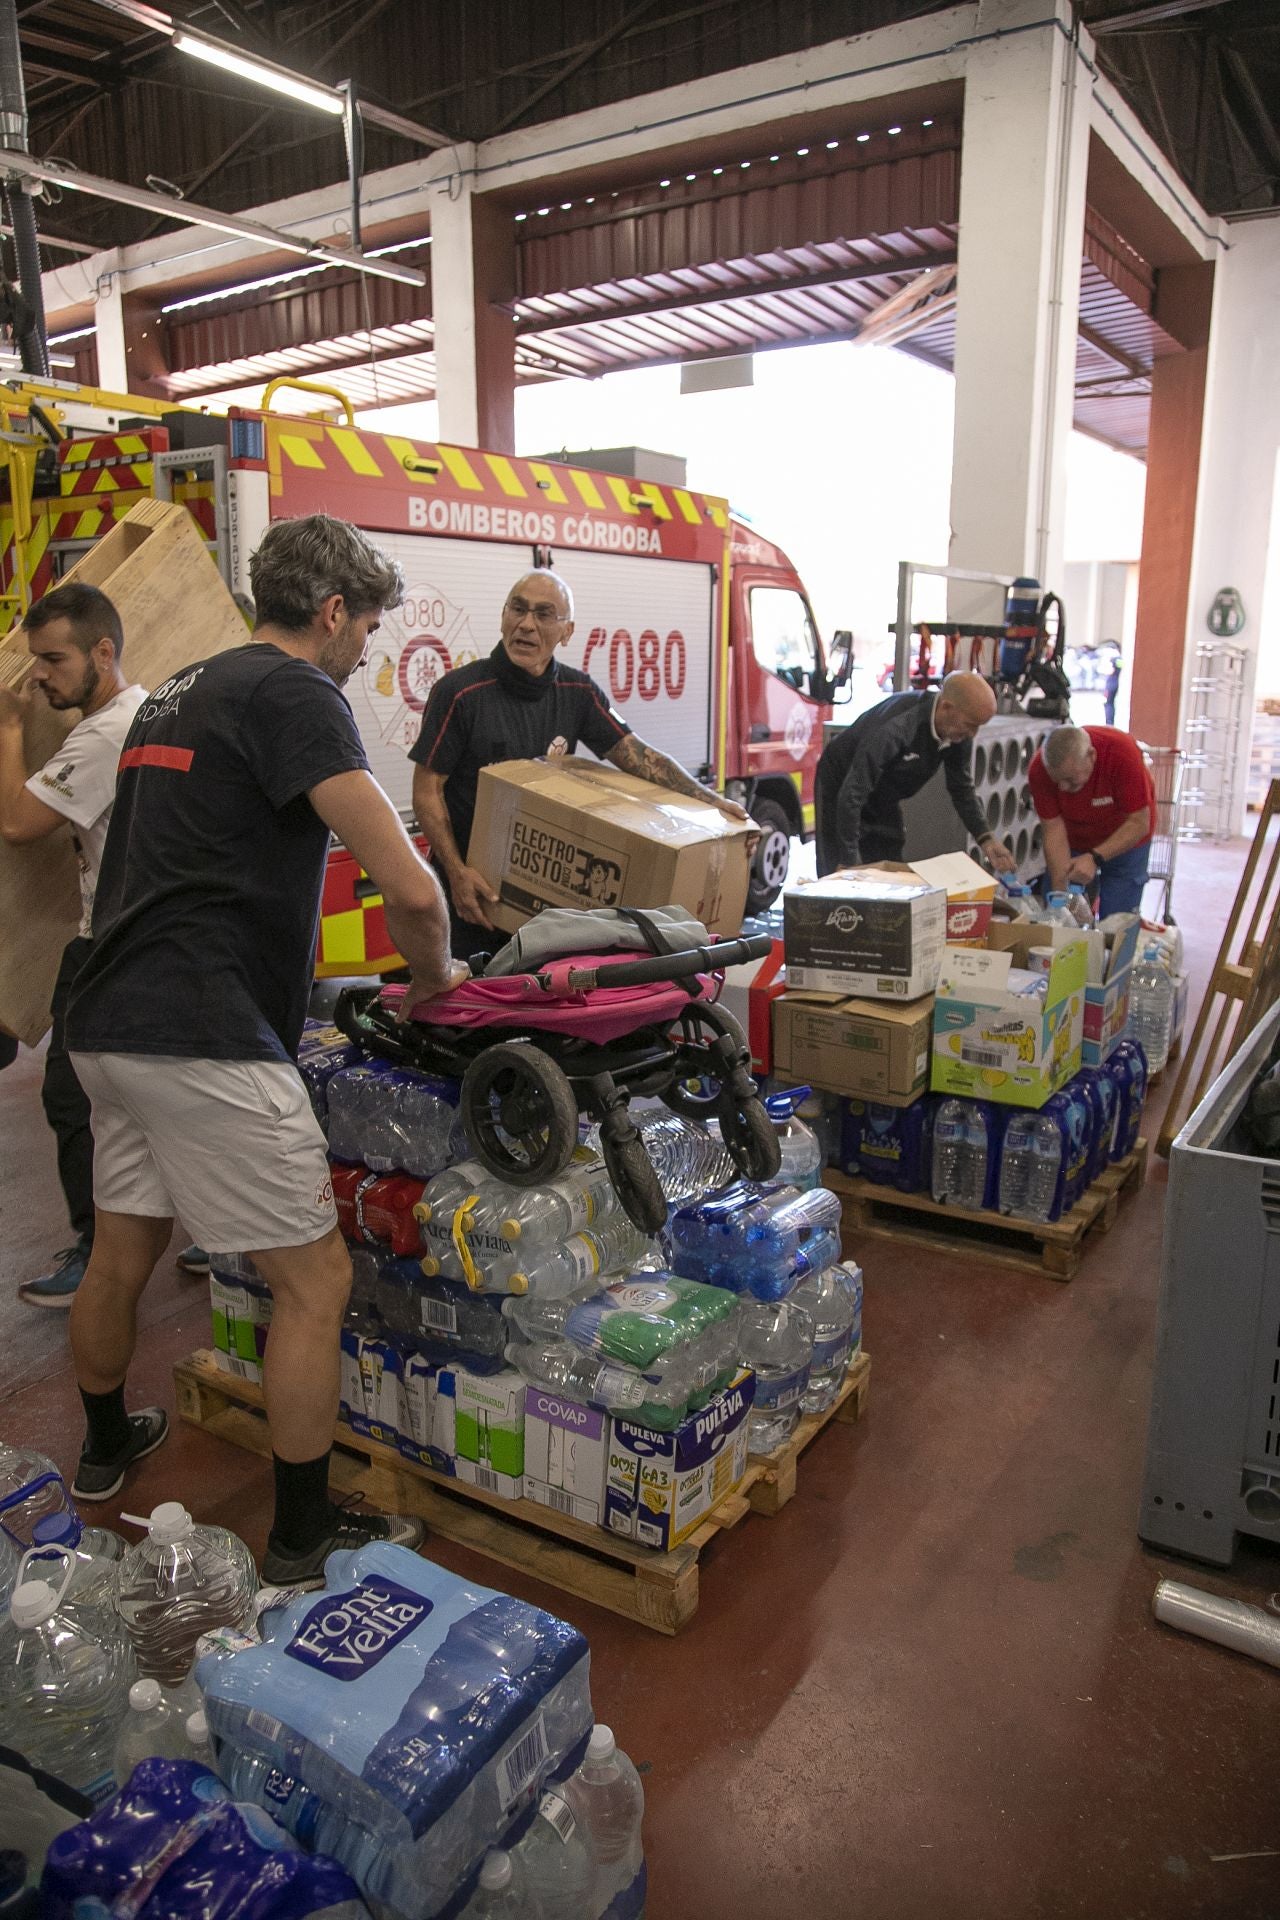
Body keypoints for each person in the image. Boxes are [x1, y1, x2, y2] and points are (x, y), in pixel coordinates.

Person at [61, 514, 464, 1584]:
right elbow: (411, 887)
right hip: (204, 1030)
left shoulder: (180, 687)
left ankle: (104, 1446)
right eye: (366, 628)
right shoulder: (296, 694)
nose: (365, 649)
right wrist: (435, 982)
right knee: (315, 1281)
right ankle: (300, 1533)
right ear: (332, 612)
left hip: (105, 1020)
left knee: (122, 1246)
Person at [0, 585, 208, 1307]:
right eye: (34, 661)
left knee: (71, 1097)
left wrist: (8, 727)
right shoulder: (149, 710)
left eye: (53, 661)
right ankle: (217, 1235)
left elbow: (19, 823)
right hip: (142, 938)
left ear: (103, 651)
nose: (39, 678)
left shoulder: (104, 733)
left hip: (113, 944)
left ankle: (95, 1255)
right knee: (169, 1096)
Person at [410, 568, 750, 958]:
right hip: (470, 895)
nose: (526, 625)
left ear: (567, 631)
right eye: (518, 609)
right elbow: (426, 792)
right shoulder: (460, 693)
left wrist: (712, 802)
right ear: (503, 615)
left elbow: (638, 756)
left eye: (543, 614)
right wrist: (457, 874)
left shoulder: (577, 692)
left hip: (537, 899)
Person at [814, 670, 1016, 877]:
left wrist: (985, 838)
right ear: (946, 707)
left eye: (978, 727)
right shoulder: (898, 728)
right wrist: (846, 863)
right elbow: (852, 794)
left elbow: (961, 788)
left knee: (891, 867)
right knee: (837, 871)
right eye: (970, 725)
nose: (972, 734)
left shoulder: (958, 733)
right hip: (842, 780)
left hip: (884, 791)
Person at [1027, 723, 1155, 916]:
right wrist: (1060, 898)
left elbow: (1139, 822)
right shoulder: (1039, 770)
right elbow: (1053, 829)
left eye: (1070, 780)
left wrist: (1095, 857)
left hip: (1126, 836)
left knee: (1117, 919)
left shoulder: (1121, 753)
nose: (1062, 788)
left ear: (1091, 756)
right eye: (1057, 780)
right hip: (1074, 839)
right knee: (1060, 909)